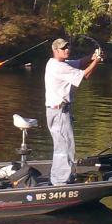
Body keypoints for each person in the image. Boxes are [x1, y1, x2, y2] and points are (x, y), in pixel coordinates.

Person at [44, 38, 102, 185]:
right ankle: (61, 182)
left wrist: (91, 57)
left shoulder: (56, 63)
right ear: (55, 50)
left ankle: (58, 177)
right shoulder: (59, 67)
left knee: (61, 146)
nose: (67, 50)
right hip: (59, 112)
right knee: (66, 146)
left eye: (68, 47)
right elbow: (85, 76)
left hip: (57, 111)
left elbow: (80, 63)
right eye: (63, 48)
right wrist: (96, 61)